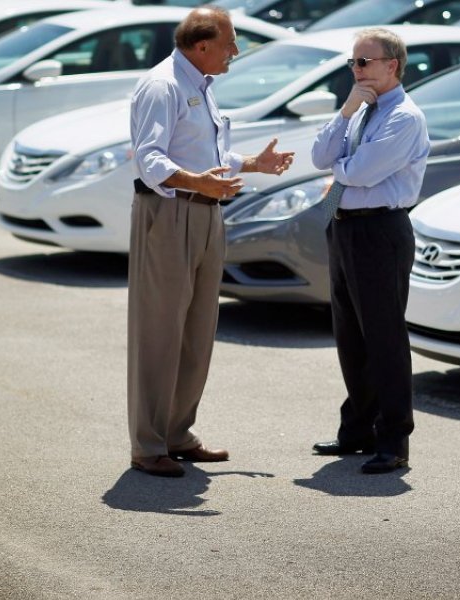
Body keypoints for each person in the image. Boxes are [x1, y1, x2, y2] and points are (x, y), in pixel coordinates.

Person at [127, 6, 294, 478]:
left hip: (205, 212)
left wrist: (253, 164)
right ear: (202, 46)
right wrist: (197, 183)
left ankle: (177, 434)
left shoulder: (200, 83)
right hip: (169, 214)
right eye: (229, 43)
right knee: (159, 332)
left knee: (197, 332)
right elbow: (150, 159)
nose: (235, 51)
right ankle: (148, 445)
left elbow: (206, 153)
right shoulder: (162, 86)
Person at [310, 28, 430, 474]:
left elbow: (361, 172)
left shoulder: (404, 117)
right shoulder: (361, 110)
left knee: (383, 337)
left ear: (391, 65)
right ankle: (358, 430)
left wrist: (339, 170)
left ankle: (394, 439)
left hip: (380, 229)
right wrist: (345, 111)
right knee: (350, 337)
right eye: (352, 63)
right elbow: (319, 156)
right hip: (343, 226)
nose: (356, 70)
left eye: (364, 62)